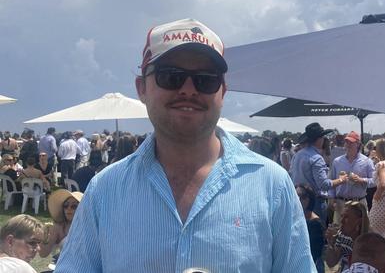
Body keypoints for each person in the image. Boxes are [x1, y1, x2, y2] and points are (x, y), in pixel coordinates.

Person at [56, 18, 314, 272]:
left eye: (206, 78)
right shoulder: (105, 190)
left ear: (222, 92)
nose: (189, 89)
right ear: (141, 88)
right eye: (171, 76)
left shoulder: (272, 185)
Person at [291, 122, 348, 221]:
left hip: (298, 199)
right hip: (314, 202)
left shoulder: (298, 154)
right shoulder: (316, 158)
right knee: (317, 232)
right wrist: (341, 180)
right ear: (319, 139)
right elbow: (323, 184)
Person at [329, 131, 375, 225]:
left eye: (351, 142)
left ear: (358, 144)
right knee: (338, 233)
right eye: (346, 142)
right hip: (341, 203)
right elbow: (331, 181)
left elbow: (375, 181)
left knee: (360, 232)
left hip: (359, 204)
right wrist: (331, 198)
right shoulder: (337, 161)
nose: (348, 144)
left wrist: (361, 180)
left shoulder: (367, 161)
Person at [324, 201, 370, 273]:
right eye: (342, 216)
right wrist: (331, 243)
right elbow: (331, 263)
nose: (341, 221)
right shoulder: (343, 237)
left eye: (346, 217)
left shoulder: (369, 242)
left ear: (358, 221)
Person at [367, 138, 385, 242]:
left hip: (381, 204)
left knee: (372, 234)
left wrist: (376, 196)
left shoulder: (382, 164)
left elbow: (383, 184)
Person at [296, 184, 326, 273]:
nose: (299, 199)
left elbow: (315, 253)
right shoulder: (293, 218)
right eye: (296, 195)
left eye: (303, 197)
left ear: (310, 200)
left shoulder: (315, 223)